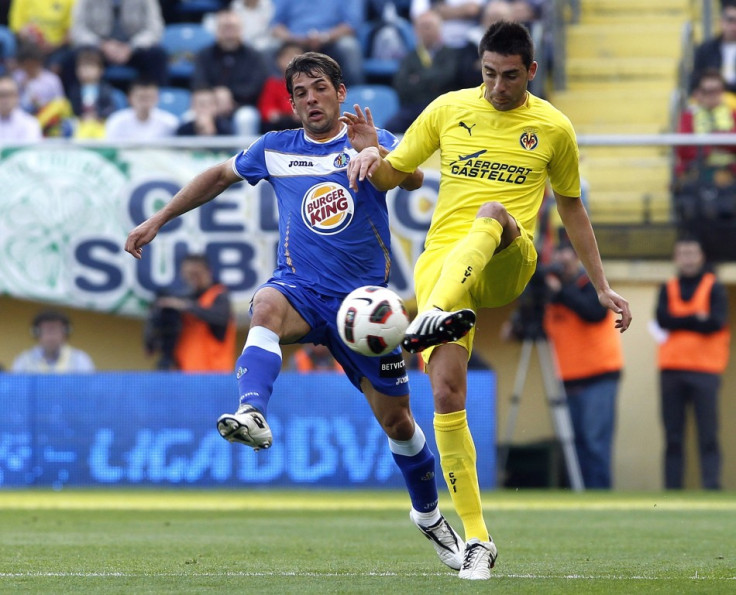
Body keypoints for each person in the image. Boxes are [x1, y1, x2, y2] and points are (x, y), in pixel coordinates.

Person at [125, 51, 466, 574]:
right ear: (291, 103)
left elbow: (415, 179)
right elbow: (217, 176)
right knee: (264, 303)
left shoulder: (372, 137)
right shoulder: (275, 149)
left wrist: (376, 155)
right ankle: (252, 412)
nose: (310, 99)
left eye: (319, 89)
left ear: (340, 92)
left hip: (363, 308)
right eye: (300, 93)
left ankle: (427, 514)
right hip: (300, 290)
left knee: (399, 422)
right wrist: (158, 219)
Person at [347, 20, 632, 579]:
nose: (498, 87)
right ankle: (478, 541)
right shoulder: (448, 109)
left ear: (530, 70)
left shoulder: (553, 127)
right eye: (488, 74)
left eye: (509, 76)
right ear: (479, 67)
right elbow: (391, 179)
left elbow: (572, 207)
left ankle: (425, 320)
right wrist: (369, 152)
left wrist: (601, 284)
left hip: (508, 258)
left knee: (492, 213)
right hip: (443, 267)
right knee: (448, 395)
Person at [542, 241, 623, 489]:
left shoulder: (590, 285)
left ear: (577, 258)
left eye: (566, 254)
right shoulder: (553, 294)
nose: (561, 260)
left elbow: (593, 312)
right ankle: (580, 492)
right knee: (574, 442)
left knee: (595, 441)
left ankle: (598, 494)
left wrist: (560, 292)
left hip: (599, 375)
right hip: (568, 379)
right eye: (558, 254)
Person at [655, 237, 729, 490]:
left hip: (705, 371)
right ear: (676, 258)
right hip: (671, 371)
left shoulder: (714, 287)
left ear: (701, 257)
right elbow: (663, 319)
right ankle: (672, 489)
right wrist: (696, 318)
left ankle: (712, 486)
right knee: (673, 436)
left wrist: (680, 320)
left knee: (708, 435)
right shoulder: (668, 287)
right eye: (682, 253)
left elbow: (716, 323)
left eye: (691, 253)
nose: (687, 258)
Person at [149, 254, 237, 372]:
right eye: (188, 274)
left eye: (196, 274)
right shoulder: (185, 299)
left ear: (208, 271)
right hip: (186, 375)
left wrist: (185, 306)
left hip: (215, 375)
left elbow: (220, 318)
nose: (192, 278)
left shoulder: (218, 295)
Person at [191, 9, 269, 136]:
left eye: (232, 27)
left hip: (242, 105)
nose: (229, 31)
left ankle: (244, 156)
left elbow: (257, 85)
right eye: (224, 27)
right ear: (216, 30)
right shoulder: (203, 55)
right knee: (188, 118)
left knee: (246, 118)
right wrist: (216, 96)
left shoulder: (254, 56)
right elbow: (198, 82)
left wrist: (230, 94)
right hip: (208, 104)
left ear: (241, 29)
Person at [384, 10, 460, 133]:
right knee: (390, 127)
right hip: (414, 108)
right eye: (422, 27)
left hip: (444, 107)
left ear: (439, 29)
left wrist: (418, 78)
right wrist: (433, 80)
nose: (426, 31)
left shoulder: (451, 54)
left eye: (429, 26)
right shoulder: (409, 57)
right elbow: (401, 85)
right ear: (415, 30)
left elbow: (447, 77)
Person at [69, 0, 168, 87]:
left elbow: (155, 29)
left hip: (134, 47)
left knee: (158, 55)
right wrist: (102, 45)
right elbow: (78, 29)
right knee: (75, 56)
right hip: (100, 48)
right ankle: (79, 101)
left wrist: (130, 47)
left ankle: (157, 101)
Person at [270, 1, 364, 86]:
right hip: (294, 40)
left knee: (349, 46)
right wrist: (292, 39)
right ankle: (278, 93)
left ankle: (354, 95)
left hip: (331, 40)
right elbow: (275, 24)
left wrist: (326, 37)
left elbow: (352, 23)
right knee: (268, 48)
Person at [675, 68, 736, 179]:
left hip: (730, 174)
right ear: (698, 93)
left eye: (716, 91)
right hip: (696, 173)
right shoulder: (688, 116)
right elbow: (684, 150)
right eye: (707, 91)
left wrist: (709, 140)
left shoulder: (733, 115)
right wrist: (717, 143)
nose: (712, 96)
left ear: (722, 92)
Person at [12, 310, 95, 373]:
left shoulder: (80, 359)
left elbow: (90, 391)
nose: (51, 336)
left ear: (66, 333)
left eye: (55, 330)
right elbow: (15, 391)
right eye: (46, 330)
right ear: (36, 333)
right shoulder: (24, 360)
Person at [66, 46, 118, 139]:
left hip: (100, 123)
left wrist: (99, 115)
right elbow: (73, 108)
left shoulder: (105, 89)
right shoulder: (75, 90)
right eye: (82, 67)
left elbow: (110, 108)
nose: (86, 71)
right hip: (81, 122)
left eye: (90, 67)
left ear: (100, 71)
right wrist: (81, 116)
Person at [104, 78, 179, 140]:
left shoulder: (170, 122)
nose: (145, 103)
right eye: (141, 98)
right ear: (130, 98)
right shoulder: (117, 121)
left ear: (157, 98)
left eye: (149, 98)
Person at [690, 0, 736, 97]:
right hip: (712, 100)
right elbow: (695, 82)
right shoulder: (706, 49)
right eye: (730, 20)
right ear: (721, 22)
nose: (734, 26)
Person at [257, 41, 303, 133]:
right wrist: (272, 114)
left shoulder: (308, 83)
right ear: (278, 61)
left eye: (296, 56)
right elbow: (266, 106)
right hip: (278, 124)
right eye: (287, 57)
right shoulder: (272, 83)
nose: (291, 60)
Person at [0, 74, 42, 141]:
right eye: (1, 95)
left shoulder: (30, 123)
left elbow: (30, 149)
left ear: (17, 96)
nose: (5, 99)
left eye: (9, 94)